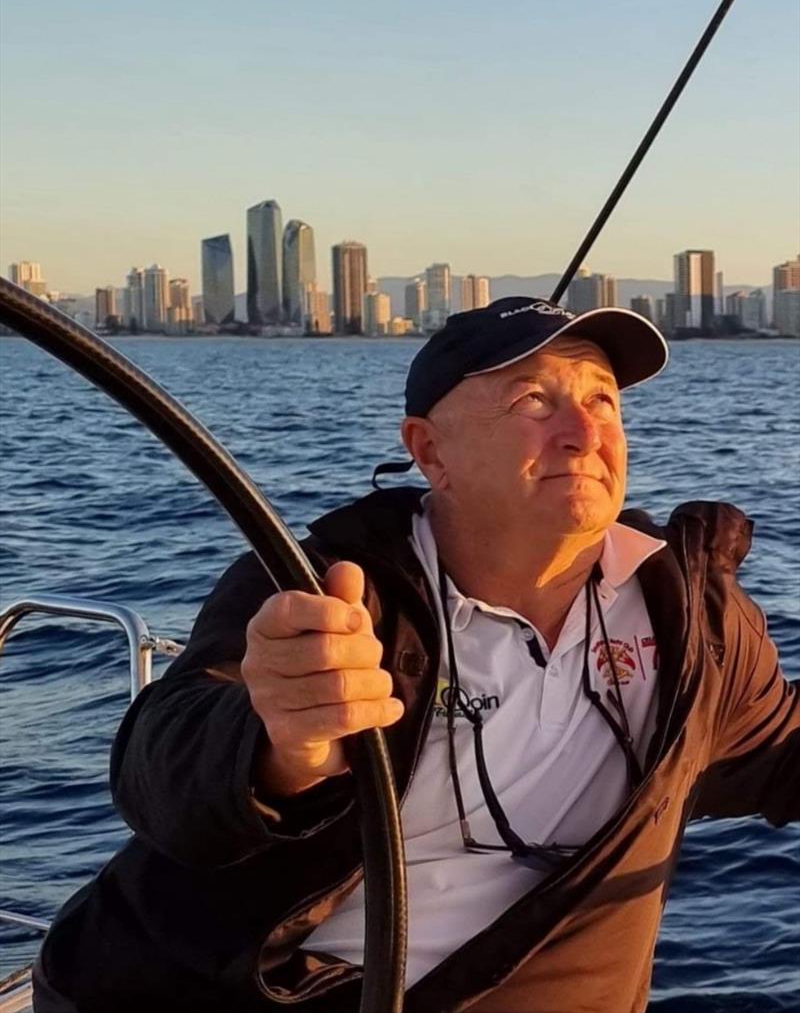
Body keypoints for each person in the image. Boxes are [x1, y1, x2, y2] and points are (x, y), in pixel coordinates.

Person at [35, 298, 799, 1013]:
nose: (582, 431)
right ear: (428, 449)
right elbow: (161, 775)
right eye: (533, 399)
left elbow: (778, 758)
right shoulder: (331, 592)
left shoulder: (695, 620)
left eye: (600, 398)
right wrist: (277, 744)